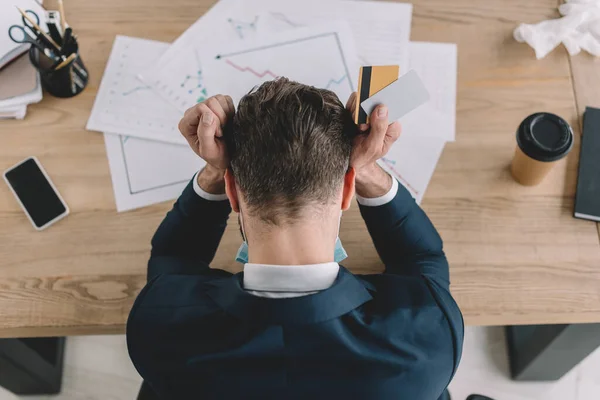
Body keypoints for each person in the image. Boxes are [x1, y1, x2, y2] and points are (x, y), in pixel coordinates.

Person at [127, 78, 464, 400]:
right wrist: (367, 170)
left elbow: (172, 261)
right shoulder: (428, 336)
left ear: (231, 191)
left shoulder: (161, 326)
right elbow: (423, 261)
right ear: (348, 189)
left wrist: (216, 170)